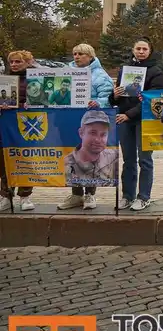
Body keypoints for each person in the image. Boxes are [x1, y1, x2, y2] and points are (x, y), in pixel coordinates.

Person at [109, 37, 163, 212]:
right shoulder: (125, 70)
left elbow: (153, 100)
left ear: (150, 51)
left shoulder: (156, 72)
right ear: (133, 50)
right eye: (138, 48)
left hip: (144, 120)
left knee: (145, 160)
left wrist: (129, 114)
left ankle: (144, 197)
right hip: (124, 120)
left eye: (144, 49)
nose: (141, 52)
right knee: (128, 160)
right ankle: (128, 196)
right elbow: (114, 99)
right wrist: (115, 95)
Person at [58, 43, 116, 210]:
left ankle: (90, 194)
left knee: (90, 155)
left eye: (81, 54)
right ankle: (76, 194)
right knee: (72, 156)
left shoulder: (100, 75)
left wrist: (98, 102)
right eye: (75, 53)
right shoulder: (66, 73)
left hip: (91, 121)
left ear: (90, 56)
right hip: (68, 120)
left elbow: (108, 97)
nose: (77, 57)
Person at [0, 51, 36, 212]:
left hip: (27, 127)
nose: (14, 65)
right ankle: (6, 195)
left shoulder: (35, 80)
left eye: (18, 62)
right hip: (6, 127)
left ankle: (25, 196)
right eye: (12, 62)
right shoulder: (4, 81)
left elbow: (40, 102)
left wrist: (20, 106)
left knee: (25, 161)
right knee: (5, 161)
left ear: (27, 62)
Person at [63, 110, 119, 187]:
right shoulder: (67, 162)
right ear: (81, 133)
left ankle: (90, 194)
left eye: (103, 134)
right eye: (93, 133)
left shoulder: (114, 157)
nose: (98, 140)